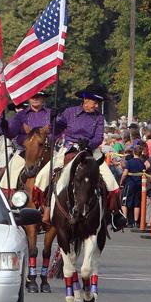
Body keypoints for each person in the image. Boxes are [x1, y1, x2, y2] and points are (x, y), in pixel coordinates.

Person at [49, 84, 122, 219]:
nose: (96, 106)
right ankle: (45, 208)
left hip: (91, 150)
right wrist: (52, 119)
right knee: (43, 176)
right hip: (69, 147)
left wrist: (89, 144)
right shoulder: (69, 112)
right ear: (85, 100)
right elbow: (56, 129)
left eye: (98, 103)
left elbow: (98, 137)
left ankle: (115, 215)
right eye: (95, 103)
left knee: (111, 181)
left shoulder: (99, 117)